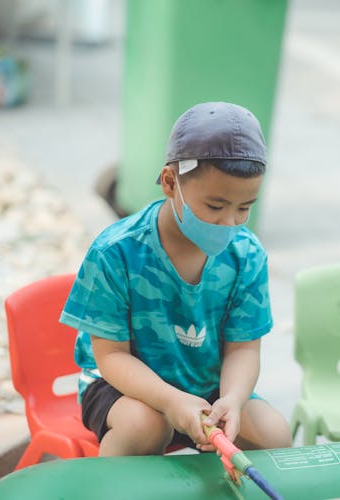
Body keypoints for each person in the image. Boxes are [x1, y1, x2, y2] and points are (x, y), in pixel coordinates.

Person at [60, 102, 292, 456]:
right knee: (146, 426)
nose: (229, 222)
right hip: (123, 388)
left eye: (244, 207)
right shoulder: (116, 252)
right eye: (215, 206)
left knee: (274, 434)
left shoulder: (247, 255)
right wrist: (170, 401)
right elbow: (112, 358)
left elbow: (244, 348)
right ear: (171, 182)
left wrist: (232, 399)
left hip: (210, 387)